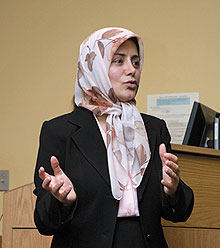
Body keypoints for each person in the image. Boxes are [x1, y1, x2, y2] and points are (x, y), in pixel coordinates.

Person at [33, 27, 194, 248]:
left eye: (136, 62)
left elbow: (179, 212)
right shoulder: (59, 131)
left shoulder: (155, 129)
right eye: (119, 61)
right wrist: (60, 202)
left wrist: (173, 190)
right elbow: (44, 222)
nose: (132, 70)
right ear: (95, 67)